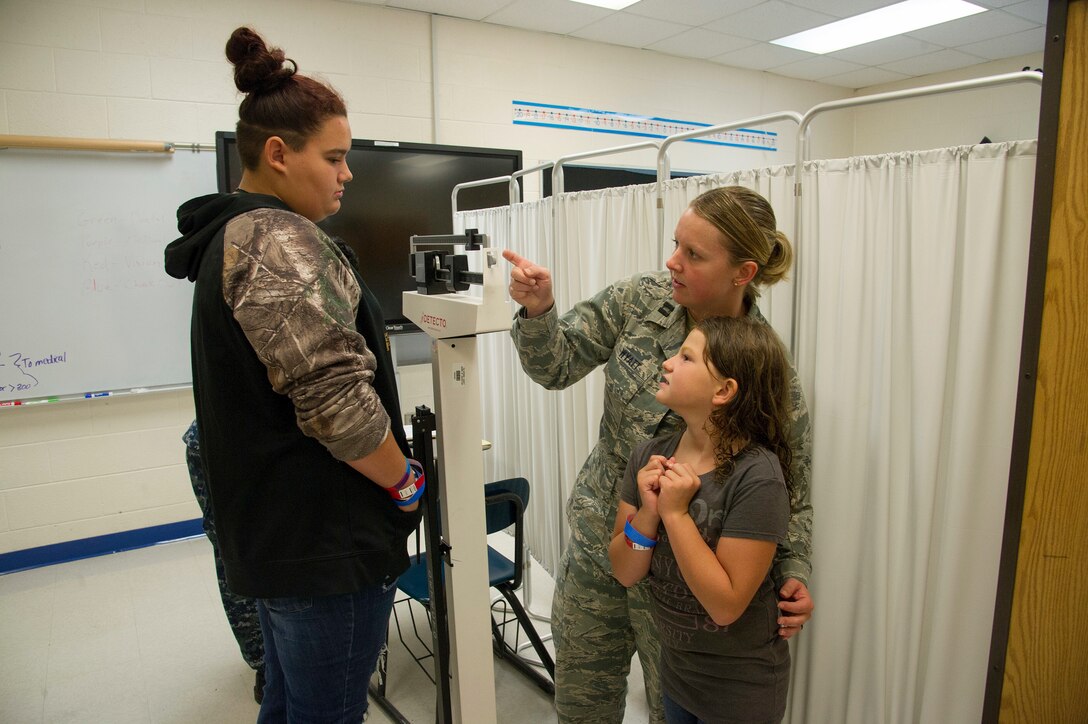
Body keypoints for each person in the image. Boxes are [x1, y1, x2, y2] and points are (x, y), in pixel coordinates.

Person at [164, 27, 423, 722]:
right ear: (278, 154)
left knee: (287, 705)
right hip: (321, 548)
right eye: (334, 157)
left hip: (280, 538)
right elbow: (339, 406)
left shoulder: (232, 236)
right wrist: (406, 482)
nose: (346, 174)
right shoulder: (278, 240)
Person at [503, 185, 813, 724]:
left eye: (694, 255)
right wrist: (540, 311)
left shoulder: (763, 368)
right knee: (580, 706)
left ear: (742, 273)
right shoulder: (640, 300)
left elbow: (791, 487)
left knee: (670, 712)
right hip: (606, 545)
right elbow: (556, 365)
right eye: (676, 245)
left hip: (682, 589)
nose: (672, 262)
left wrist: (795, 573)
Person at [609, 316, 794, 724]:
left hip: (741, 692)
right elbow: (624, 570)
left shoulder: (757, 475)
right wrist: (648, 512)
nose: (668, 363)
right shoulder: (648, 455)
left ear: (724, 391)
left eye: (686, 358)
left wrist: (675, 514)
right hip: (677, 676)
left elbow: (726, 606)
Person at [182, 420, 265, 704]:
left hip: (236, 439)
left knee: (240, 549)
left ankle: (273, 661)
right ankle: (266, 662)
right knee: (236, 551)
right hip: (227, 446)